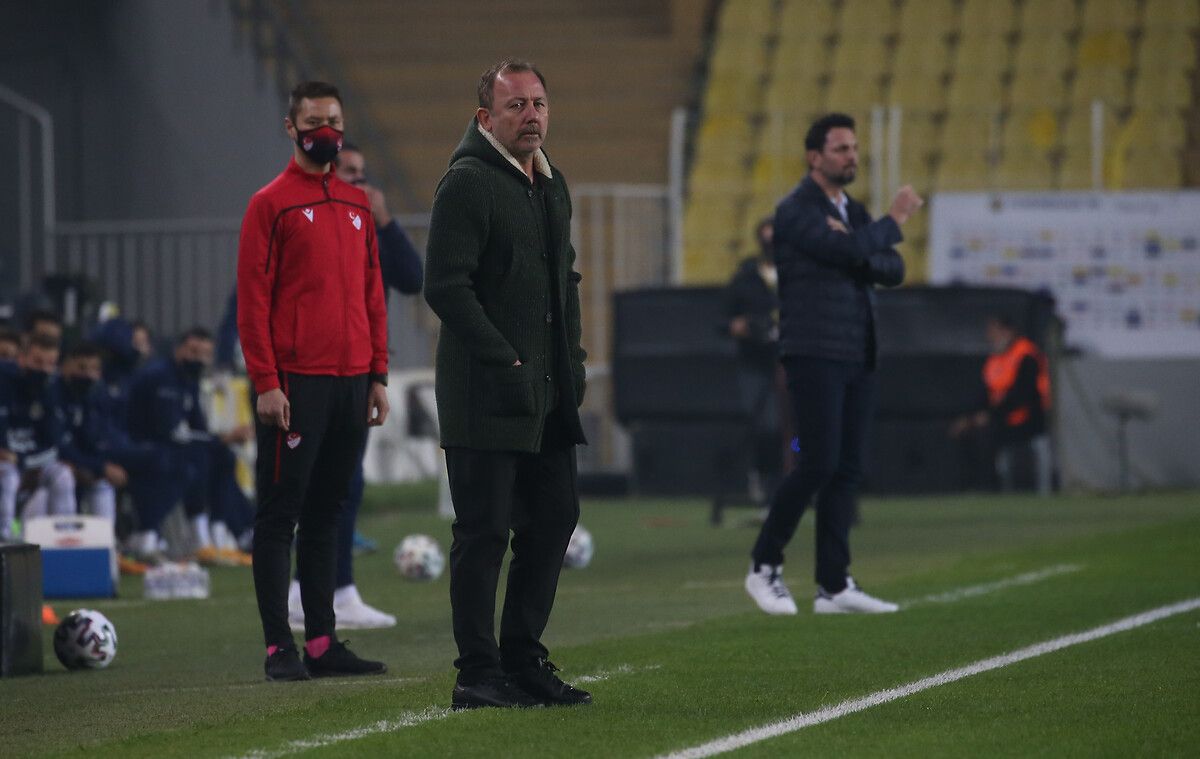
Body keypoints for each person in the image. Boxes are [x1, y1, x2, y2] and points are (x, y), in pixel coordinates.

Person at [424, 59, 591, 710]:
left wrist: (570, 363)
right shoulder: (466, 184)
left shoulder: (552, 185)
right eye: (516, 106)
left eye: (540, 104)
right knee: (484, 532)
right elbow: (446, 286)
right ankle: (476, 672)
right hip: (486, 395)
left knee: (555, 516)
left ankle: (522, 659)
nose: (532, 116)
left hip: (547, 393)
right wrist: (507, 362)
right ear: (485, 118)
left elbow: (566, 282)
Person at [238, 80, 390, 681]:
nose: (325, 131)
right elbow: (254, 302)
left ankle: (323, 644)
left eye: (333, 120)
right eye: (313, 121)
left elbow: (371, 294)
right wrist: (266, 382)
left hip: (353, 382)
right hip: (295, 385)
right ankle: (280, 646)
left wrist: (378, 373)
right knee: (281, 515)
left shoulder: (356, 205)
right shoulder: (269, 205)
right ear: (291, 127)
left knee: (328, 512)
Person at [743, 113, 922, 616]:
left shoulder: (853, 210)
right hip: (813, 351)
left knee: (846, 468)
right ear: (814, 157)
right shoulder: (795, 210)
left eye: (854, 148)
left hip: (857, 352)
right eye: (841, 149)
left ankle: (833, 585)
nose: (851, 157)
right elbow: (846, 249)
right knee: (817, 462)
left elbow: (892, 267)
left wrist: (857, 249)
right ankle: (763, 565)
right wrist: (892, 224)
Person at [278, 141, 425, 631]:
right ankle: (307, 593)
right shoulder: (306, 217)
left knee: (343, 483)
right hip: (312, 370)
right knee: (307, 483)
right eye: (348, 171)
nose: (358, 180)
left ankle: (331, 591)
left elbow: (411, 279)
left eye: (363, 172)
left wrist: (386, 222)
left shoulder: (366, 221)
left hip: (357, 370)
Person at [125, 328, 253, 565]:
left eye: (205, 354)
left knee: (223, 457)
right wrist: (222, 438)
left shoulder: (188, 380)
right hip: (142, 447)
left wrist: (219, 441)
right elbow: (171, 432)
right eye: (193, 351)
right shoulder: (160, 376)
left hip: (170, 448)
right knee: (194, 460)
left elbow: (198, 428)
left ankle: (221, 532)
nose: (198, 359)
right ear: (179, 349)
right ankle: (167, 535)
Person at [949, 315, 1052, 495]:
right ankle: (968, 486)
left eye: (993, 331)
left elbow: (1023, 395)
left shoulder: (1026, 355)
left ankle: (989, 487)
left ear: (1007, 331)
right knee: (964, 431)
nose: (989, 336)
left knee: (986, 433)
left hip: (1026, 419)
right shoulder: (995, 358)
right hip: (1000, 417)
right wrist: (969, 417)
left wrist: (991, 415)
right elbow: (983, 394)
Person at [725, 218, 784, 505]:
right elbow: (723, 321)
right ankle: (763, 475)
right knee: (766, 425)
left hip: (793, 364)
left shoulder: (798, 274)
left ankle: (794, 470)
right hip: (756, 365)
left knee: (795, 430)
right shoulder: (745, 278)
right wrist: (744, 326)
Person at [0, 334, 73, 541]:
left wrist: (25, 462)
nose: (43, 369)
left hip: (32, 462)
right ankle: (3, 540)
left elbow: (55, 445)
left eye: (50, 364)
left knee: (63, 475)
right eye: (37, 361)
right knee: (8, 475)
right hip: (5, 464)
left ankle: (63, 541)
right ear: (22, 359)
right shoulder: (4, 383)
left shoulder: (52, 390)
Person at [55, 341, 126, 523]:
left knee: (103, 482)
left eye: (93, 369)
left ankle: (108, 542)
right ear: (66, 366)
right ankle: (63, 538)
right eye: (81, 367)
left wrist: (99, 467)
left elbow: (102, 439)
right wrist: (98, 467)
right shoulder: (54, 394)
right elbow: (57, 444)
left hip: (87, 465)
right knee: (64, 475)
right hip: (57, 465)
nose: (87, 375)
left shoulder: (97, 397)